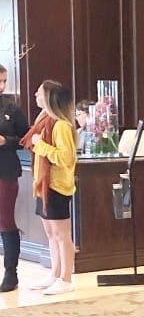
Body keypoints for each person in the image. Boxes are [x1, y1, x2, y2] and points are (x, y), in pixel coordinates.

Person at [21, 81, 77, 295]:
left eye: (39, 92)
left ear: (49, 98)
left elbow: (66, 158)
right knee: (51, 233)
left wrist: (41, 145)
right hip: (43, 186)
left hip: (57, 187)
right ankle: (55, 273)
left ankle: (66, 278)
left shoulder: (61, 125)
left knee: (62, 234)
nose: (35, 95)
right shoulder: (43, 120)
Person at [0, 65, 29, 292]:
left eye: (4, 81)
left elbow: (25, 138)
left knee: (5, 220)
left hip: (6, 170)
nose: (1, 86)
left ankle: (11, 273)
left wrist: (6, 141)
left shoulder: (12, 108)